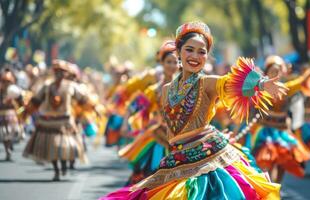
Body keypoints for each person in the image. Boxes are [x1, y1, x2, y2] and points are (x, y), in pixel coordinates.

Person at [101, 21, 286, 200]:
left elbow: (229, 83)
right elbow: (140, 106)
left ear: (206, 57)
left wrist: (261, 84)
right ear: (178, 53)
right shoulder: (164, 89)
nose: (195, 56)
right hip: (175, 157)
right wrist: (128, 122)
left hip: (207, 159)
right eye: (189, 49)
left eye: (201, 52)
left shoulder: (207, 83)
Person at [118, 40, 178, 185]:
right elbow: (133, 107)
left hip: (178, 136)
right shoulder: (154, 90)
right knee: (151, 172)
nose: (172, 65)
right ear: (162, 64)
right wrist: (125, 124)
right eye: (168, 62)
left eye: (175, 62)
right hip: (157, 136)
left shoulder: (183, 88)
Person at [246, 56, 310, 183]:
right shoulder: (260, 88)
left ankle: (277, 187)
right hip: (265, 132)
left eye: (278, 72)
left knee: (282, 161)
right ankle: (271, 188)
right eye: (272, 71)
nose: (275, 74)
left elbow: (301, 81)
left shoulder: (285, 87)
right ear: (267, 73)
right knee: (268, 161)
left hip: (282, 131)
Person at [23, 60, 89, 181]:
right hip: (49, 122)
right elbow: (36, 100)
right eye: (57, 71)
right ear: (54, 73)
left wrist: (91, 108)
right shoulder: (47, 86)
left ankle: (64, 164)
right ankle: (56, 170)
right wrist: (26, 110)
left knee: (63, 147)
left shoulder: (71, 86)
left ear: (66, 74)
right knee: (52, 147)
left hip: (65, 122)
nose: (59, 74)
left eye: (62, 72)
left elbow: (83, 100)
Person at [0, 68, 24, 161]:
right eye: (4, 81)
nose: (6, 83)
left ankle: (9, 147)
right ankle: (7, 150)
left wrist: (20, 114)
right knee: (4, 134)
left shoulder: (15, 90)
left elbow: (21, 104)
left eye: (8, 81)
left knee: (11, 134)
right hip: (2, 116)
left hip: (12, 116)